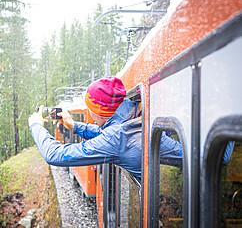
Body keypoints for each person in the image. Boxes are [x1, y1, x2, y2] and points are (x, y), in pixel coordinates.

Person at [29, 76, 183, 181]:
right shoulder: (132, 114)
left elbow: (54, 155)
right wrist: (75, 126)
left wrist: (36, 125)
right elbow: (109, 134)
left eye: (90, 110)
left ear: (98, 113)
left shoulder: (117, 138)